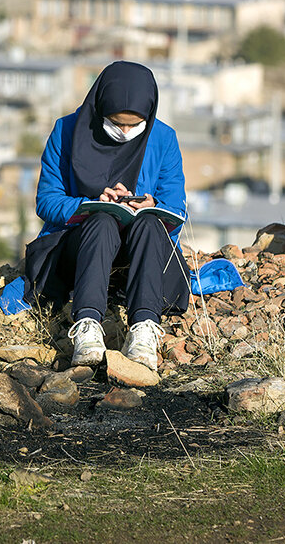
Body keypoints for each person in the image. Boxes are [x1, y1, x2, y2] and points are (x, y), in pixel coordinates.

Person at [24, 61, 189, 370]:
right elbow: (46, 200)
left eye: (135, 124)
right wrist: (89, 205)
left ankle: (143, 329)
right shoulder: (67, 132)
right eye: (116, 122)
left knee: (151, 224)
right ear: (99, 109)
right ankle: (87, 327)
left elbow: (177, 206)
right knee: (101, 221)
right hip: (82, 245)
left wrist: (153, 204)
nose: (125, 132)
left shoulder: (163, 139)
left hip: (142, 249)